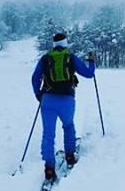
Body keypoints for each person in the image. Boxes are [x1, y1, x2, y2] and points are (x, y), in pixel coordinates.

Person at [31, 33, 96, 181]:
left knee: (48, 135)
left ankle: (49, 168)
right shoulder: (71, 57)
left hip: (47, 100)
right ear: (65, 43)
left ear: (54, 44)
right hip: (67, 100)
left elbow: (35, 78)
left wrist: (38, 94)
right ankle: (70, 156)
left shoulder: (45, 58)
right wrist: (92, 61)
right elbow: (89, 74)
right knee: (68, 126)